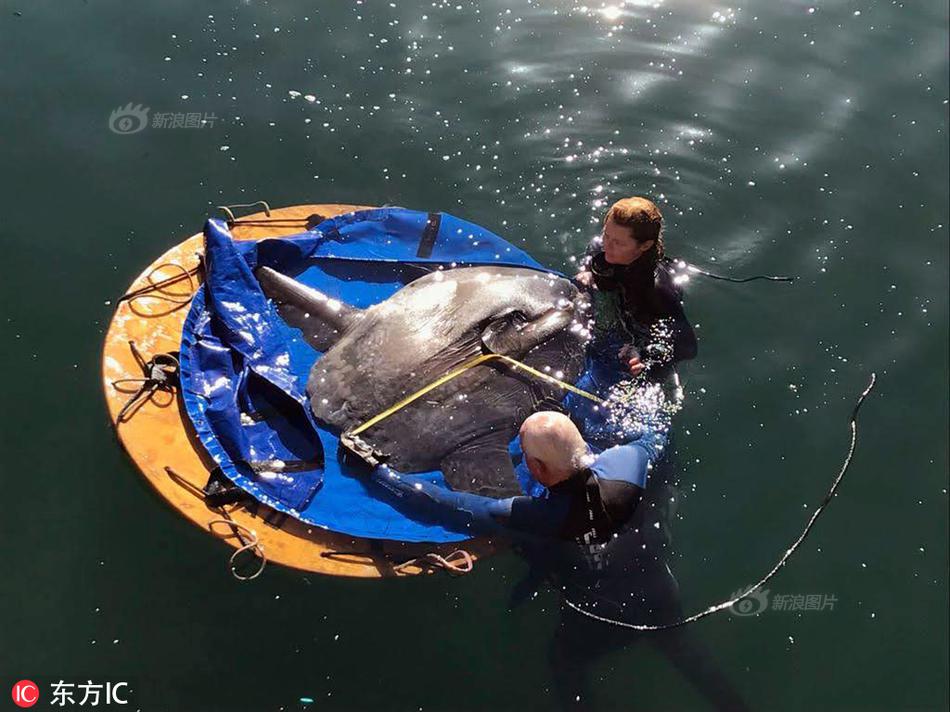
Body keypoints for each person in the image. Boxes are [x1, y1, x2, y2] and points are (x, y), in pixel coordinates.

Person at [343, 410, 664, 543]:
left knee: (562, 662)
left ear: (538, 468)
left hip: (578, 564)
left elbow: (444, 505)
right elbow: (657, 434)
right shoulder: (626, 460)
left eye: (523, 451)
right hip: (639, 547)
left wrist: (375, 471)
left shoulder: (540, 515)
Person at [574, 196, 697, 381]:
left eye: (619, 243)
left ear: (645, 245)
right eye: (606, 235)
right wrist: (587, 273)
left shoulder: (659, 289)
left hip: (642, 331)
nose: (607, 245)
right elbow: (594, 259)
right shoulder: (600, 248)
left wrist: (644, 355)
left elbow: (687, 347)